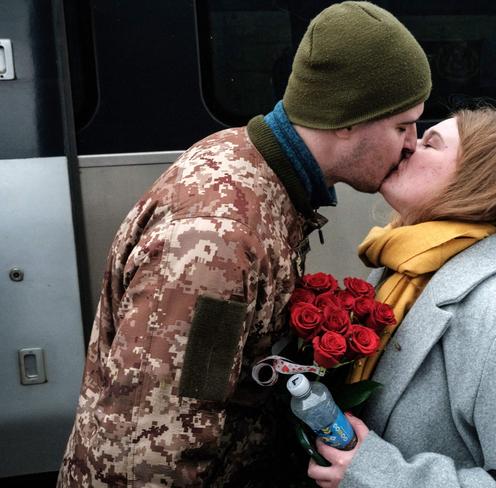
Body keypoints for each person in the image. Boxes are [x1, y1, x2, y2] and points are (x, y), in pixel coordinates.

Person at [57, 2, 432, 487]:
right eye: (402, 125)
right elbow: (152, 451)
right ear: (346, 119)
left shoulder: (257, 170)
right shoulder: (220, 237)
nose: (412, 144)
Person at [307, 107, 496, 487]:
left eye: (429, 144)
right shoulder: (400, 274)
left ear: (475, 182)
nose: (408, 145)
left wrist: (378, 475)